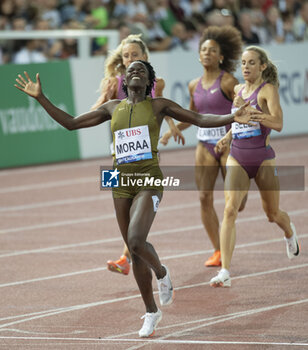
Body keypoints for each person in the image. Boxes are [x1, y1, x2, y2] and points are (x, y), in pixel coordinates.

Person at [15, 61, 255, 337]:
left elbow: (199, 119)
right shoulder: (111, 108)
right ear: (124, 82)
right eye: (131, 71)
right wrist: (41, 98)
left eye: (141, 70)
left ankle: (162, 273)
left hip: (148, 177)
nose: (136, 72)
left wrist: (232, 117)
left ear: (149, 80)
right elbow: (71, 124)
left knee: (136, 240)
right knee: (133, 247)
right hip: (118, 181)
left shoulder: (158, 105)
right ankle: (152, 311)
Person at [91, 34, 184, 276]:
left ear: (145, 57)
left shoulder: (156, 82)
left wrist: (172, 128)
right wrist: (105, 97)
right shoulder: (114, 82)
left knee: (137, 208)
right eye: (125, 56)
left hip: (144, 155)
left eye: (134, 55)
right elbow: (94, 112)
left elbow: (163, 108)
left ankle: (126, 257)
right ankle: (130, 254)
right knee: (123, 208)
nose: (129, 59)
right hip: (117, 157)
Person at [209, 46, 300, 288]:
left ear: (262, 67)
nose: (246, 67)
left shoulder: (267, 90)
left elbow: (278, 123)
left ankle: (289, 232)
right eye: (243, 63)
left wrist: (249, 110)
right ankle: (225, 271)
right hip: (237, 156)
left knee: (272, 214)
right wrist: (227, 137)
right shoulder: (238, 89)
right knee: (230, 209)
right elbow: (238, 122)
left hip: (263, 158)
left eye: (251, 63)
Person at [160, 26, 247, 267]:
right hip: (205, 143)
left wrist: (230, 135)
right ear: (199, 55)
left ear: (221, 57)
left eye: (213, 50)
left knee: (237, 203)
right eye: (204, 50)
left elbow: (242, 113)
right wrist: (172, 130)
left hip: (229, 143)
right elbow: (193, 115)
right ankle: (218, 250)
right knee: (203, 197)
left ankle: (243, 186)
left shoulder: (229, 82)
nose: (207, 53)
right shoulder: (193, 85)